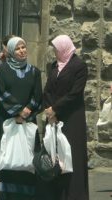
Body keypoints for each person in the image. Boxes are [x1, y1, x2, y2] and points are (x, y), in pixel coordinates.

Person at [0, 36, 42, 200]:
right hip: (8, 121)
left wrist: (27, 111)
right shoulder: (3, 69)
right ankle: (7, 194)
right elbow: (2, 93)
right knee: (9, 156)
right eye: (18, 48)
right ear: (11, 51)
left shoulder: (34, 71)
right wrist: (18, 112)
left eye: (24, 47)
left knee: (28, 158)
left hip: (28, 121)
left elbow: (38, 96)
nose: (22, 51)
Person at [39, 34, 89, 200]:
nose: (54, 51)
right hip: (54, 118)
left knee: (71, 157)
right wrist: (49, 111)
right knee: (55, 157)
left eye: (56, 48)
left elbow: (75, 93)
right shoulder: (54, 66)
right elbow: (48, 90)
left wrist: (56, 109)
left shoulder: (79, 66)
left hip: (72, 118)